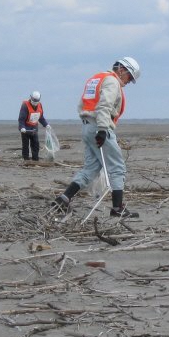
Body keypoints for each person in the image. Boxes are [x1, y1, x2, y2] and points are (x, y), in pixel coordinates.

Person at [54, 57, 141, 218]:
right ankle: (117, 208)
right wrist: (101, 129)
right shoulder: (112, 81)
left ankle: (64, 198)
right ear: (122, 70)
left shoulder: (95, 79)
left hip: (87, 126)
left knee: (91, 168)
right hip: (99, 127)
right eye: (130, 77)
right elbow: (104, 106)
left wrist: (90, 125)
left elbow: (82, 104)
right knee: (117, 167)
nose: (129, 82)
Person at [18, 91, 50, 161]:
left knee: (36, 144)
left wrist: (46, 124)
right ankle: (25, 159)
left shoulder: (40, 105)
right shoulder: (25, 105)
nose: (35, 103)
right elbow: (21, 119)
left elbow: (41, 117)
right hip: (25, 129)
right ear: (31, 98)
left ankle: (35, 159)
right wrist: (22, 127)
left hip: (34, 128)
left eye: (37, 101)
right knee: (25, 145)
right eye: (34, 100)